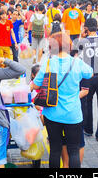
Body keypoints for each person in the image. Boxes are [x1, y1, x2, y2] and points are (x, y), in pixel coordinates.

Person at [31, 32, 93, 168]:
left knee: (55, 150)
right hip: (73, 114)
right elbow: (90, 73)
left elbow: (35, 85)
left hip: (52, 114)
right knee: (73, 151)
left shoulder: (48, 64)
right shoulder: (77, 63)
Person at [76, 18, 98, 142]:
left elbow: (78, 59)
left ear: (86, 28)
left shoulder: (82, 42)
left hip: (87, 77)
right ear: (97, 27)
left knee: (86, 103)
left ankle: (88, 129)